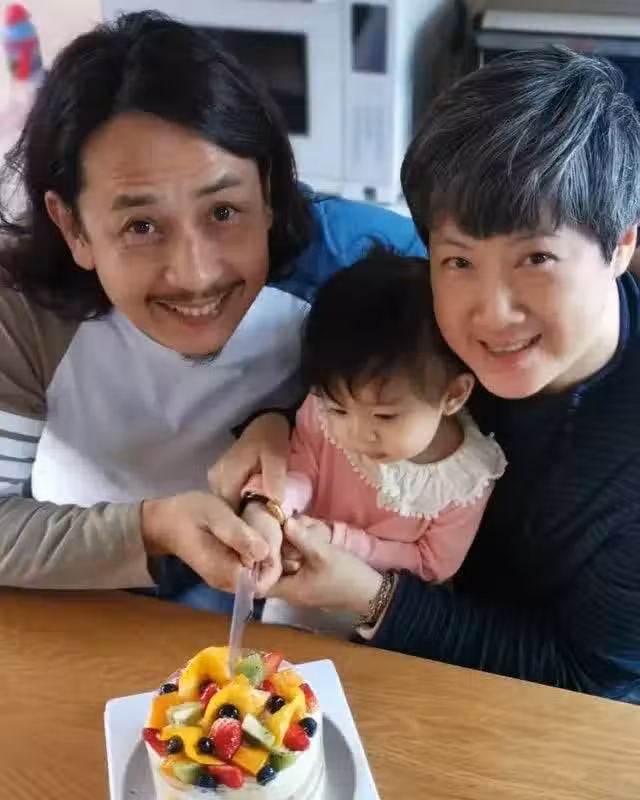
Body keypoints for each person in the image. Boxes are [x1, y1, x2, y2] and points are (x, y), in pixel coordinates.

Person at [0, 11, 423, 598]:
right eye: (142, 225)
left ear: (268, 192)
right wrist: (152, 527)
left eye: (223, 212)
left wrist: (285, 421)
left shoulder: (360, 262)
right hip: (91, 595)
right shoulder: (22, 307)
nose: (195, 274)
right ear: (72, 227)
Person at [265, 48, 640, 703]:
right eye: (459, 261)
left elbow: (589, 679)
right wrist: (265, 430)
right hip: (370, 671)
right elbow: (340, 392)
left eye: (537, 258)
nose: (492, 315)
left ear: (622, 246)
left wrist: (372, 596)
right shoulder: (422, 321)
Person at [239, 248, 505, 633]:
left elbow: (432, 565)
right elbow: (300, 468)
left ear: (453, 395)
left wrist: (339, 540)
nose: (357, 434)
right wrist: (270, 511)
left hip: (388, 617)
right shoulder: (323, 412)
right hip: (300, 584)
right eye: (338, 408)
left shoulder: (467, 479)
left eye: (385, 416)